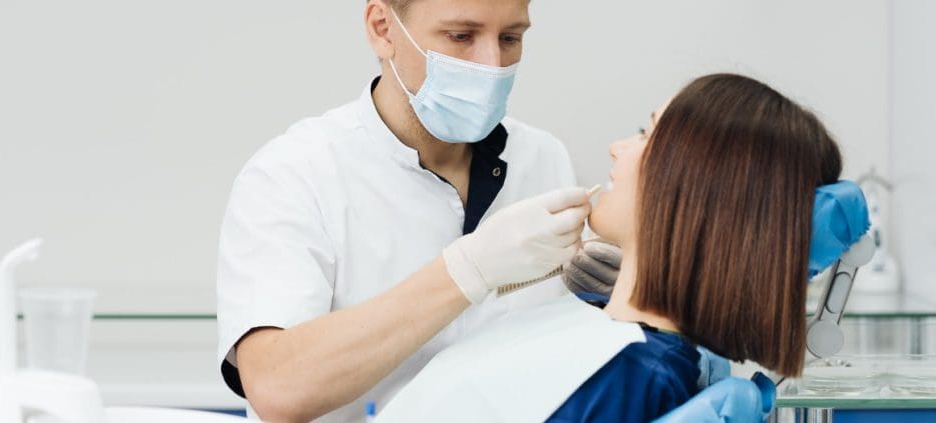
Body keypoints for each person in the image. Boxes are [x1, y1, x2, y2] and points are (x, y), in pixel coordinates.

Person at [215, 0, 620, 421]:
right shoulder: (293, 174)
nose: (492, 65)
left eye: (510, 38)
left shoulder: (543, 157)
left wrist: (615, 302)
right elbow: (277, 387)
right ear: (383, 28)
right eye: (461, 36)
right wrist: (467, 270)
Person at [549, 73, 842, 420]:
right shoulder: (628, 357)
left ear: (695, 188)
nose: (617, 147)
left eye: (647, 134)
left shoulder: (630, 376)